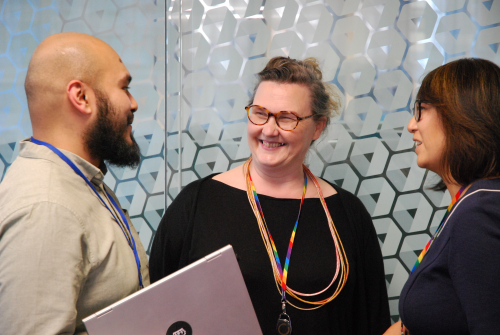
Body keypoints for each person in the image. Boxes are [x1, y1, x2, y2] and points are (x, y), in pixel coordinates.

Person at [150, 57, 390, 334]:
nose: (269, 130)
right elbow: (155, 313)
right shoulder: (197, 203)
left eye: (287, 117)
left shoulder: (347, 213)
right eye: (260, 113)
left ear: (319, 127)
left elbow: (372, 320)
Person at [0, 33, 150, 334]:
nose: (133, 104)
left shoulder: (79, 180)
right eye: (125, 88)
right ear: (81, 98)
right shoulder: (46, 209)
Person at [384, 58, 500, 335]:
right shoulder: (471, 202)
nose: (412, 125)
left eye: (421, 110)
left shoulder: (479, 211)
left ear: (460, 116)